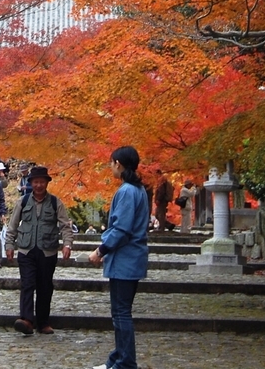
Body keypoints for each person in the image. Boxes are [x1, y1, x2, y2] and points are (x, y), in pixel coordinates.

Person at [88, 146, 149, 369]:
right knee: (120, 312)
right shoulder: (138, 190)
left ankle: (125, 362)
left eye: (111, 163)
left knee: (121, 313)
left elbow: (122, 229)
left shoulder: (127, 191)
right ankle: (118, 358)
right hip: (131, 258)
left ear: (118, 164)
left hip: (126, 259)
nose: (110, 167)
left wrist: (101, 250)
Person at [4, 165, 73, 335]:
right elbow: (12, 225)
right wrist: (9, 244)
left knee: (45, 286)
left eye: (42, 182)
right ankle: (26, 320)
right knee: (27, 284)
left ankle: (43, 322)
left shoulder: (56, 202)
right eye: (35, 182)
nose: (39, 185)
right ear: (31, 183)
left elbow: (65, 225)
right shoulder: (23, 201)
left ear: (47, 183)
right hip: (26, 250)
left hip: (47, 251)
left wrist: (67, 244)